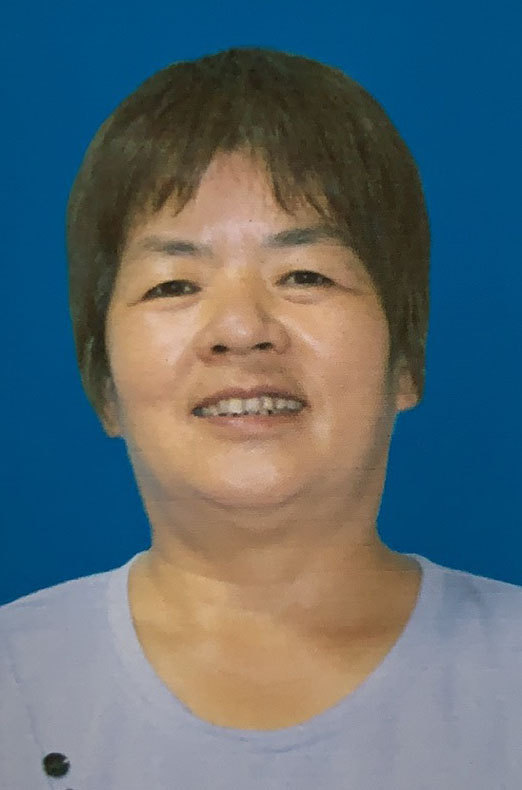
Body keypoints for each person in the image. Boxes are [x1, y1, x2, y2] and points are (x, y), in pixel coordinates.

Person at [1, 47, 521, 789]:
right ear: (103, 383)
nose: (242, 328)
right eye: (174, 284)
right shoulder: (16, 684)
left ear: (405, 362)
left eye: (305, 275)